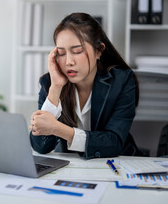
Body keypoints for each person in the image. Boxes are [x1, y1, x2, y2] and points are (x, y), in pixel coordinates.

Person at [29, 12, 141, 159]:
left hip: (116, 164)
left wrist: (57, 129)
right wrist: (55, 88)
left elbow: (113, 142)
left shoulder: (122, 81)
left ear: (99, 50)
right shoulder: (50, 83)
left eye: (77, 51)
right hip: (72, 169)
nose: (69, 61)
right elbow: (40, 146)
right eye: (61, 53)